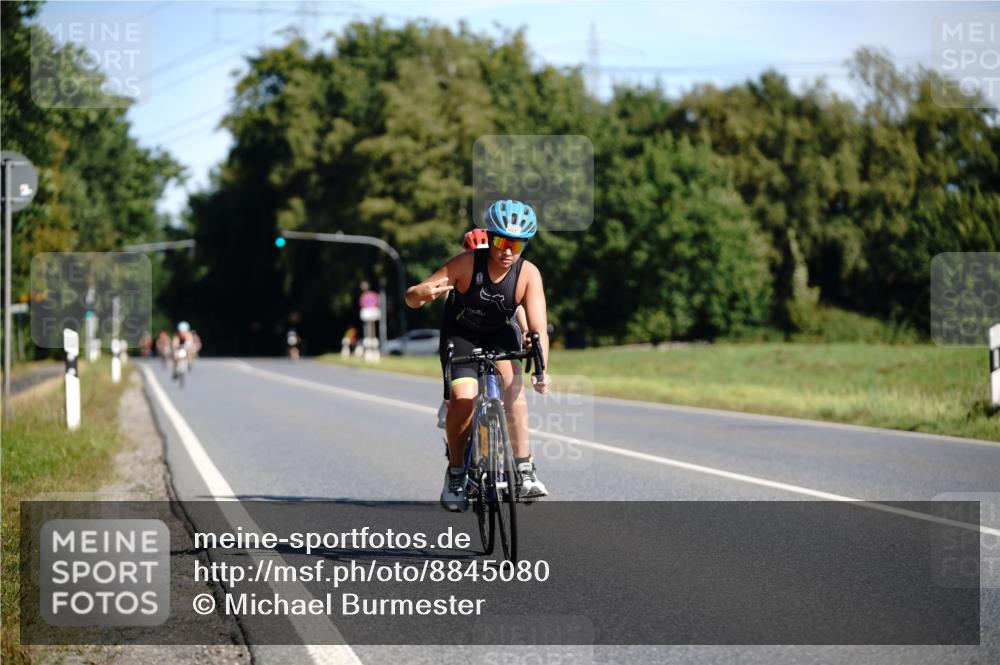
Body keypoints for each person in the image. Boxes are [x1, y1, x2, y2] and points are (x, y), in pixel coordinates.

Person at [405, 199, 552, 512]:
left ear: (525, 244)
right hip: (462, 334)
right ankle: (457, 472)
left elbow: (538, 330)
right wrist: (421, 294)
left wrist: (542, 370)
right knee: (463, 398)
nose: (507, 251)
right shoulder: (466, 264)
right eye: (500, 241)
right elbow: (412, 296)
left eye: (516, 244)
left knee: (514, 390)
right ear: (490, 238)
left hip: (500, 333)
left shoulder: (528, 274)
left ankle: (524, 470)